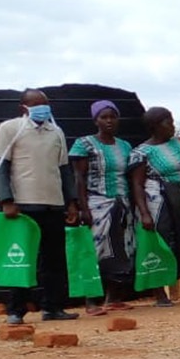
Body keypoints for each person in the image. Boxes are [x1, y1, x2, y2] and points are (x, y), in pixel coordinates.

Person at [0, 89, 79, 323]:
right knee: (22, 259)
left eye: (46, 104)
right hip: (23, 206)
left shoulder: (57, 131)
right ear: (24, 108)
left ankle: (52, 308)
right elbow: (1, 166)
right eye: (36, 104)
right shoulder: (9, 128)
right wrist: (7, 200)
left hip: (53, 204)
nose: (43, 108)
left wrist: (71, 202)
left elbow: (64, 170)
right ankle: (15, 310)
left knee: (54, 260)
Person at [70, 100, 141, 314]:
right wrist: (83, 208)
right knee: (96, 250)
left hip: (122, 203)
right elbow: (79, 178)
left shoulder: (125, 146)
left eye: (113, 116)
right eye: (104, 117)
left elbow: (129, 177)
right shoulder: (84, 144)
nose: (109, 121)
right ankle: (91, 301)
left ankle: (113, 297)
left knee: (122, 250)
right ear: (95, 120)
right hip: (96, 202)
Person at [128, 107, 180, 313]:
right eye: (168, 122)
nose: (172, 125)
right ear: (154, 127)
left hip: (179, 198)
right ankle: (159, 292)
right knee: (159, 243)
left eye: (172, 121)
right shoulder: (141, 152)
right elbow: (137, 185)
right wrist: (145, 213)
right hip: (156, 201)